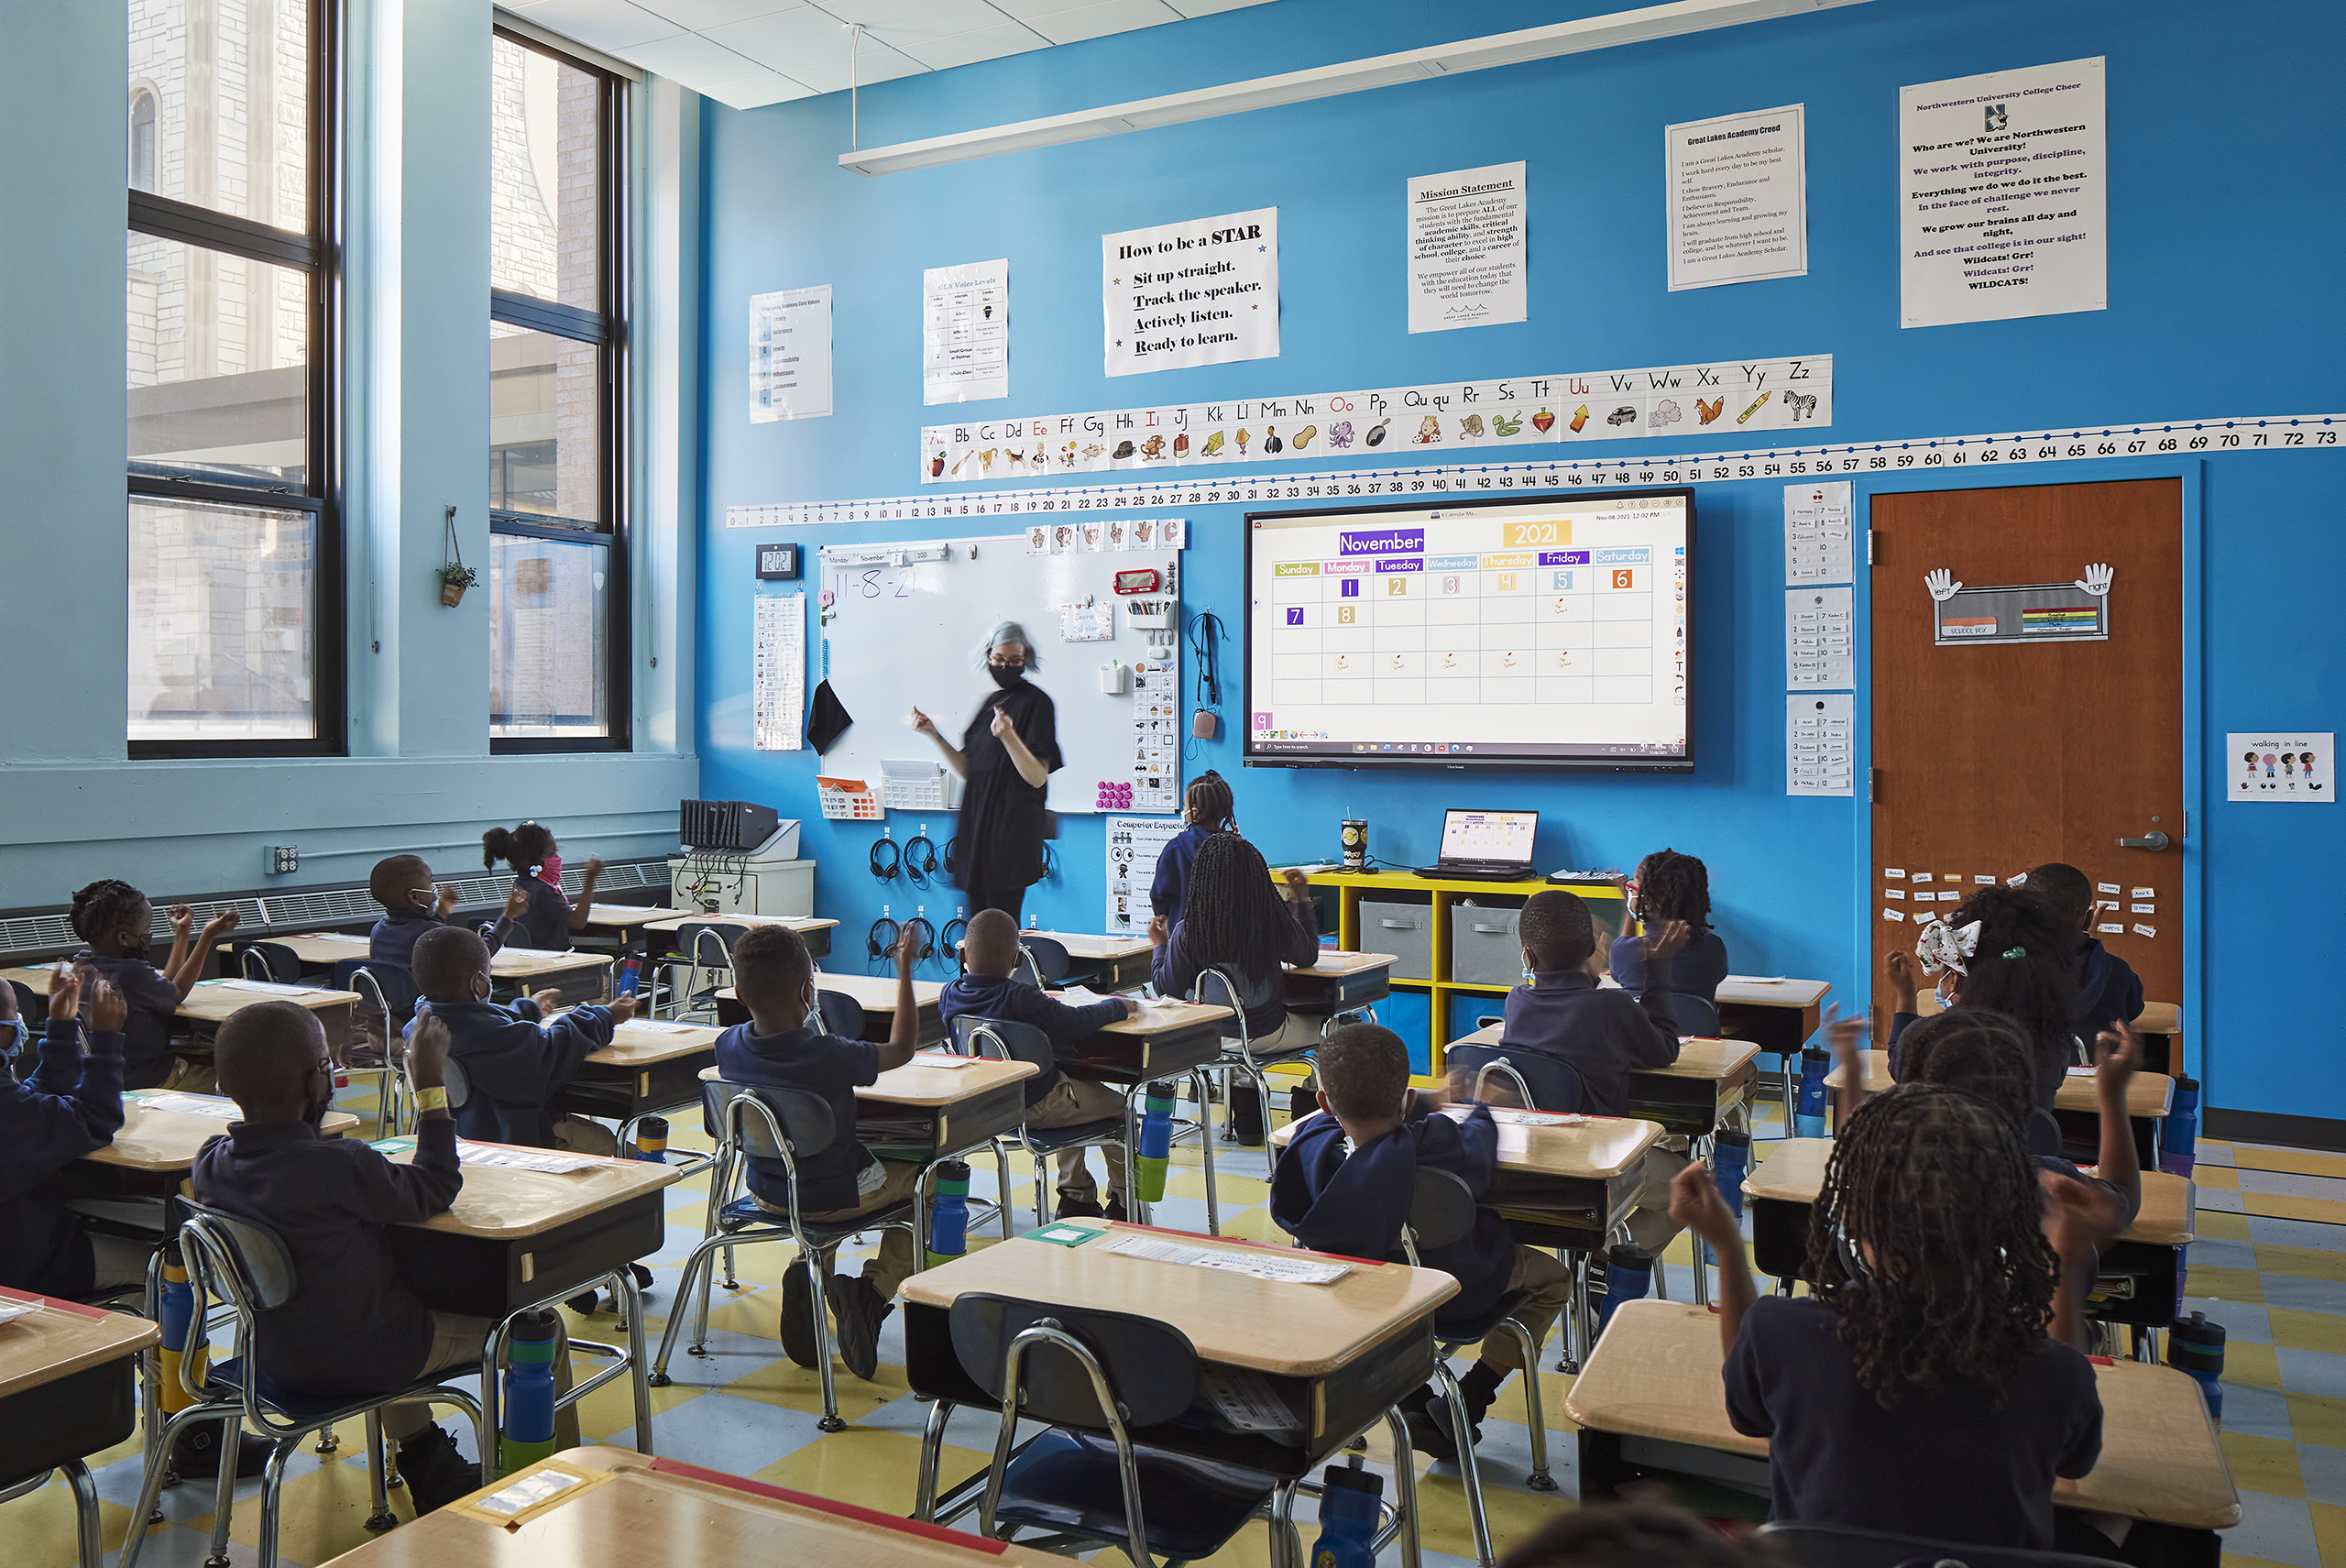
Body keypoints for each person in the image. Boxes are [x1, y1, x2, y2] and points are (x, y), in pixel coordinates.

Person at [1671, 1084, 2107, 1550]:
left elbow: (1747, 1411)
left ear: (1851, 1216)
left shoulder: (1781, 1334)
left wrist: (1728, 1246)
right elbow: (2070, 1463)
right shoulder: (2054, 1373)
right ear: (2005, 1220)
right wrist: (2067, 1255)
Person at [192, 999, 573, 1515]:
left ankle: (428, 1461)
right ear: (315, 1081)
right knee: (540, 1331)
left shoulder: (211, 1163)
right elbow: (437, 1184)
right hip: (367, 1358)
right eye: (328, 1065)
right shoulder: (342, 1166)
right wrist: (430, 1085)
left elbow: (287, 1165)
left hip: (277, 1359)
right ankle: (558, 1486)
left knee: (381, 1306)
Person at [1271, 1025, 1569, 1462]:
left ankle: (1411, 1398)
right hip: (1453, 1292)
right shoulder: (1443, 1144)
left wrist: (1427, 1102)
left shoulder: (1309, 1148)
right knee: (1555, 1280)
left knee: (1377, 1302)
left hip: (1353, 1300)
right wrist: (1479, 1106)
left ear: (1324, 1102)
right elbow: (1479, 1139)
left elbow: (1363, 1136)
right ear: (1407, 1099)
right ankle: (1470, 1397)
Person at [714, 924, 921, 1382]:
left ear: (739, 994)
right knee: (928, 1179)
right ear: (808, 991)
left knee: (818, 1169)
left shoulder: (726, 1045)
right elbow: (902, 1049)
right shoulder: (829, 1054)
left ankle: (808, 1267)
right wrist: (904, 969)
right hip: (828, 1198)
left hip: (767, 1192)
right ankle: (872, 1293)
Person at [1886, 1006, 2143, 1321]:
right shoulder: (2045, 1187)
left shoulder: (1881, 1188)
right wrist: (2112, 1093)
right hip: (2030, 1345)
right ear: (2023, 1101)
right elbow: (2123, 1197)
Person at [939, 909, 1139, 1220]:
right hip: (1039, 1104)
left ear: (962, 954)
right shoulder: (1022, 997)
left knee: (1070, 1083)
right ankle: (1124, 1201)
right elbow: (1075, 1023)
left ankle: (1078, 1197)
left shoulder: (949, 994)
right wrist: (1117, 1006)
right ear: (1018, 960)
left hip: (988, 1106)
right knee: (1122, 1109)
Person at [1148, 832, 1321, 1145]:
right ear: (1257, 879)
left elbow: (1166, 989)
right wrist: (1301, 901)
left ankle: (1249, 1124)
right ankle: (1306, 1115)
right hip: (1268, 1034)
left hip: (1211, 1038)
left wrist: (1160, 946)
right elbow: (1307, 956)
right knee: (1335, 1028)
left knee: (1240, 1041)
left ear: (1201, 880)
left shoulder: (1189, 930)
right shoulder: (1272, 922)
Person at [407, 926, 631, 1153]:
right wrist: (606, 1015)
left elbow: (480, 1024)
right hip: (518, 1145)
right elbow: (558, 1045)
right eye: (488, 973)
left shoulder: (418, 1031)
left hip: (457, 1142)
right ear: (478, 983)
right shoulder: (507, 1042)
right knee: (626, 1153)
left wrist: (529, 1010)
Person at [911, 621, 1062, 924]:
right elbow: (970, 769)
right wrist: (934, 735)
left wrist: (1008, 736)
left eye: (1015, 661)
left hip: (1009, 835)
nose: (1006, 667)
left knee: (999, 928)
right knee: (976, 927)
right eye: (999, 659)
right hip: (976, 830)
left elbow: (1036, 777)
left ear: (1026, 658)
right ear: (988, 656)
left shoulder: (1037, 703)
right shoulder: (989, 704)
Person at [1885, 886, 2080, 1106]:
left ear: (1955, 978)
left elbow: (1899, 1063)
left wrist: (1905, 994)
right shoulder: (2054, 1046)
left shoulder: (1930, 1040)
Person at [0, 963, 128, 1298]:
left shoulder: (11, 1103)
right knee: (170, 1261)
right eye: (15, 1013)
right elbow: (96, 1119)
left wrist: (61, 1027)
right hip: (28, 1266)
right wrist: (106, 1040)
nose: (20, 1022)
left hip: (19, 1247)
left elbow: (34, 1099)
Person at [1500, 889, 1684, 1115]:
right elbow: (1665, 1051)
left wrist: (1589, 978)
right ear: (1592, 948)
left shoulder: (1516, 1001)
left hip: (1534, 1133)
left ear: (1527, 957)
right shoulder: (1613, 1006)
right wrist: (1658, 970)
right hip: (1602, 1137)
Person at [68, 878, 240, 1091]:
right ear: (124, 938)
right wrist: (207, 936)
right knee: (235, 1080)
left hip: (107, 1076)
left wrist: (182, 932)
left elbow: (164, 985)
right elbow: (177, 992)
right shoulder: (131, 973)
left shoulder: (82, 966)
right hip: (150, 1078)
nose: (147, 935)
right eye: (146, 930)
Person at [2025, 862, 2145, 1040]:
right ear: (2088, 920)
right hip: (2100, 1058)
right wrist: (2095, 953)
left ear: (2024, 915)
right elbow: (2134, 1009)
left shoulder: (2005, 971)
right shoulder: (2118, 972)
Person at [1606, 849, 1729, 1011]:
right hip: (1696, 1029)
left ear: (1649, 900)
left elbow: (1622, 951)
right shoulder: (1713, 949)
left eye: (1632, 889)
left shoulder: (1624, 951)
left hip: (1644, 1029)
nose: (1629, 893)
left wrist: (1627, 911)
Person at [480, 822, 603, 949]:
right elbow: (578, 922)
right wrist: (590, 879)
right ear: (532, 860)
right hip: (552, 956)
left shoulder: (522, 883)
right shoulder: (543, 891)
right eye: (552, 852)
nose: (557, 858)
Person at [1150, 771, 1235, 923]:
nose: (1184, 810)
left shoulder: (1176, 849)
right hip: (1228, 931)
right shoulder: (1237, 849)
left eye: (1185, 805)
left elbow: (1159, 895)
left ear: (1194, 812)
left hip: (1183, 931)